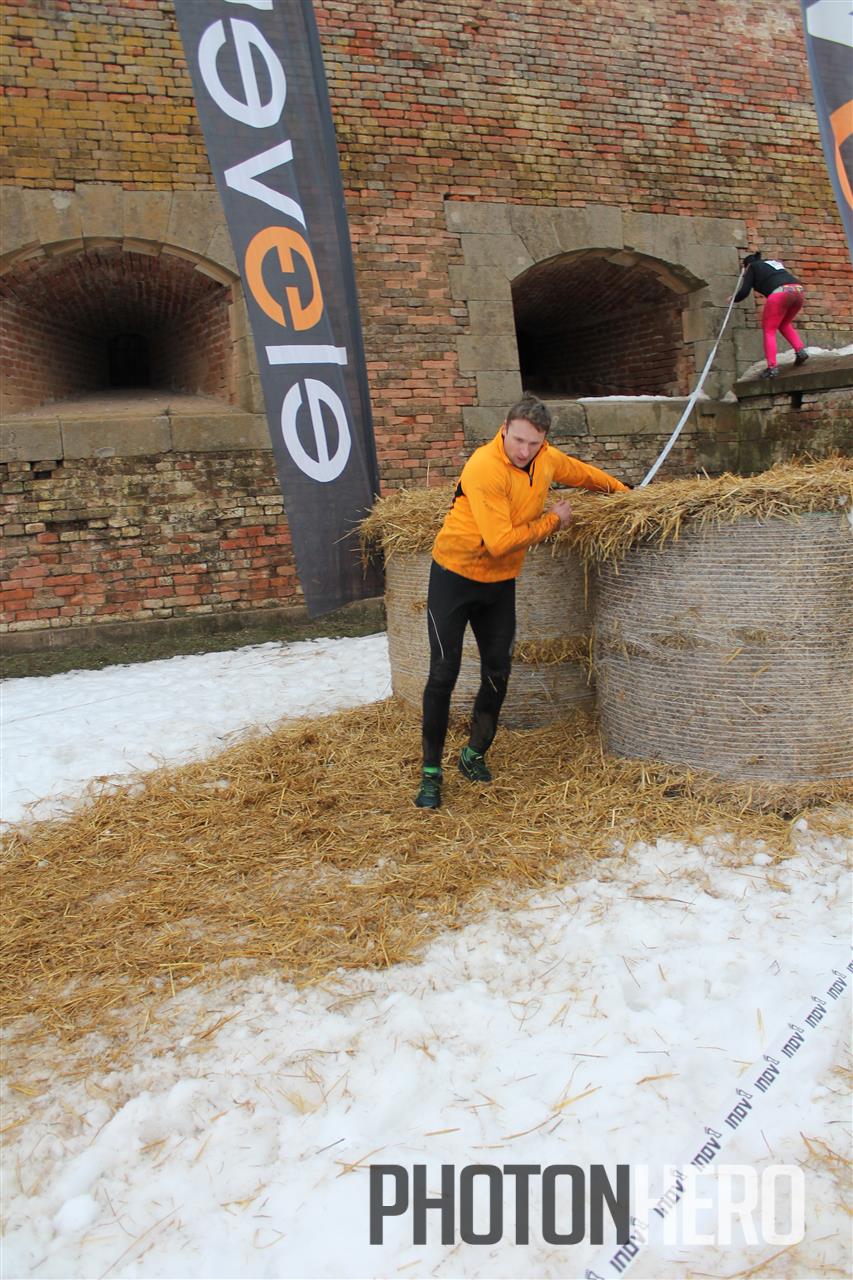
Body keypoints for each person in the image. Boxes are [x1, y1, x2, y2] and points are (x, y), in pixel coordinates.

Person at [414, 393, 630, 810]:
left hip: (499, 585)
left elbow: (583, 474)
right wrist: (554, 521)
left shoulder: (545, 458)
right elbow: (499, 542)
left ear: (544, 440)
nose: (524, 451)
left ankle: (474, 753)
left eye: (534, 443)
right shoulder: (484, 466)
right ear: (504, 430)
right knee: (443, 673)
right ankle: (430, 774)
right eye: (518, 440)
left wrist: (624, 493)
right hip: (454, 578)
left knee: (498, 671)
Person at [734, 251, 809, 379]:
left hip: (779, 293)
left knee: (769, 330)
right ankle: (800, 351)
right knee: (784, 323)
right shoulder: (771, 264)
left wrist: (734, 299)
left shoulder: (752, 267)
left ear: (746, 265)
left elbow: (744, 291)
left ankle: (772, 367)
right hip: (798, 290)